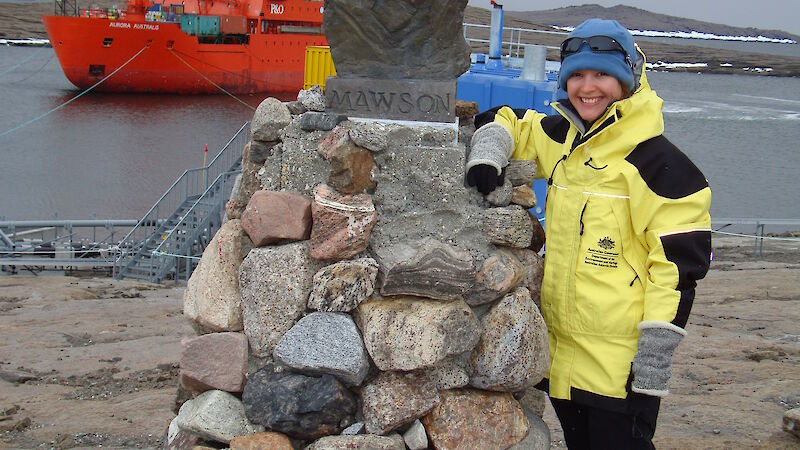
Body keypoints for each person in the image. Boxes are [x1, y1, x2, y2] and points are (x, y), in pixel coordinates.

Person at [465, 18, 712, 449]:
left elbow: (678, 269)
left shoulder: (663, 167)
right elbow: (507, 119)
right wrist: (489, 153)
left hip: (621, 368)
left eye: (602, 74)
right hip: (563, 358)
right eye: (576, 75)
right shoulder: (564, 140)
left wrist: (651, 362)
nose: (587, 86)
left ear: (629, 79)